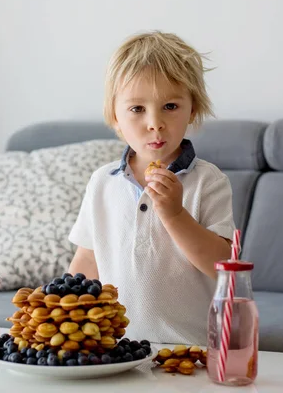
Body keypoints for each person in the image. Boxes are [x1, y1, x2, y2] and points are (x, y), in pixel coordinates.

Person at [68, 31, 235, 345]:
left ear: (193, 110)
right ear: (114, 117)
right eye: (137, 109)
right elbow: (87, 261)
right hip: (115, 348)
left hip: (189, 348)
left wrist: (174, 215)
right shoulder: (102, 182)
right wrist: (61, 313)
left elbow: (223, 266)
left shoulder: (209, 181)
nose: (155, 123)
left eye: (170, 106)